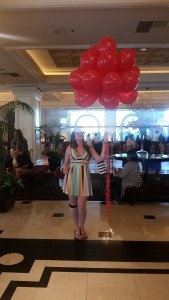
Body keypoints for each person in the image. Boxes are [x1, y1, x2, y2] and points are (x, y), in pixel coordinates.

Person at [62, 128, 107, 240]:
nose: (80, 134)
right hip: (71, 178)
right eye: (78, 132)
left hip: (84, 179)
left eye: (81, 132)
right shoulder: (69, 148)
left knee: (82, 207)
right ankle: (76, 228)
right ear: (74, 135)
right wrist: (65, 168)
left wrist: (104, 145)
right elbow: (66, 162)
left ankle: (82, 227)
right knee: (73, 205)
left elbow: (99, 159)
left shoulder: (89, 147)